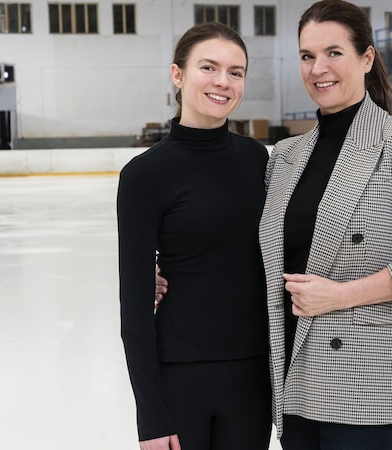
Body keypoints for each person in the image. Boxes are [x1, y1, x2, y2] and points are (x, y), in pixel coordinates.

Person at [156, 1, 392, 448]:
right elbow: (241, 238)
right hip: (293, 377)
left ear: (367, 58)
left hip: (367, 379)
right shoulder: (285, 156)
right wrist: (169, 273)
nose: (319, 68)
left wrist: (340, 295)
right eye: (306, 56)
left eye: (333, 53)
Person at [117, 22, 271, 450]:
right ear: (178, 74)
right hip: (180, 375)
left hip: (252, 376)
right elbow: (133, 306)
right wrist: (150, 414)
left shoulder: (258, 160)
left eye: (236, 72)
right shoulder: (144, 176)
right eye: (209, 67)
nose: (223, 81)